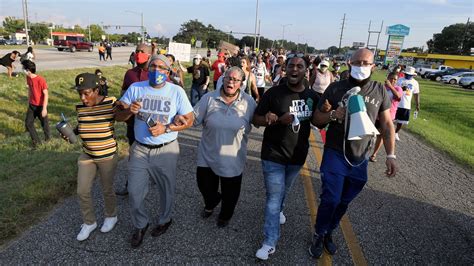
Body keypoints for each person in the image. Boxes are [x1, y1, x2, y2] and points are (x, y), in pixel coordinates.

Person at [308, 48, 397, 259]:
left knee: (344, 201)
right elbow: (316, 120)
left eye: (366, 63)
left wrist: (391, 155)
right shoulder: (335, 88)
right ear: (349, 63)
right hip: (335, 152)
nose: (361, 66)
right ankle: (319, 233)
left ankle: (330, 230)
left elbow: (386, 124)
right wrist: (332, 114)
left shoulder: (380, 90)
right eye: (357, 62)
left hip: (360, 158)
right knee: (330, 198)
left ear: (373, 66)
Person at [115, 54, 194, 248]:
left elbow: (189, 120)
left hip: (166, 150)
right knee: (134, 191)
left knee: (166, 189)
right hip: (140, 149)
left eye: (161, 68)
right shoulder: (136, 88)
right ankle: (141, 224)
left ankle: (165, 220)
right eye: (152, 67)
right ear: (147, 68)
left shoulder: (176, 92)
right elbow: (118, 115)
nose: (156, 71)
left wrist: (166, 128)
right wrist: (129, 112)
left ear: (168, 72)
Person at [253, 54, 319, 260]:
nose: (294, 69)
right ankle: (269, 242)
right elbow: (256, 119)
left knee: (283, 192)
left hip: (297, 156)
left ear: (305, 71)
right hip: (273, 154)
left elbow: (320, 121)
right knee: (273, 198)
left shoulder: (312, 97)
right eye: (291, 66)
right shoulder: (273, 94)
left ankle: (280, 209)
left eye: (300, 66)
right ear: (285, 69)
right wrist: (271, 119)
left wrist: (331, 113)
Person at [186, 66, 256, 227]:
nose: (231, 82)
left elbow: (259, 120)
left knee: (230, 193)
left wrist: (270, 117)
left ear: (241, 83)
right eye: (228, 78)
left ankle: (225, 215)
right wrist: (178, 119)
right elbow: (193, 119)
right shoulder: (209, 98)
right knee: (204, 186)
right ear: (223, 79)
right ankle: (211, 203)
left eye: (236, 80)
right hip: (207, 154)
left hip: (232, 158)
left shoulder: (248, 102)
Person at [61, 73, 119, 242]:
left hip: (106, 155)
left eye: (87, 93)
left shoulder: (111, 102)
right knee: (82, 190)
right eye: (80, 93)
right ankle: (89, 222)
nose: (83, 98)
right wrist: (72, 132)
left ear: (96, 89)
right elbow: (83, 124)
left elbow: (124, 117)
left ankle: (111, 216)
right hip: (87, 154)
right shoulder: (80, 106)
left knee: (107, 189)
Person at [115, 43, 152, 196]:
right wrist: (121, 106)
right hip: (132, 121)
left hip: (151, 123)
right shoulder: (130, 73)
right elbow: (123, 95)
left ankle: (153, 175)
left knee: (152, 154)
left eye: (142, 51)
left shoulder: (156, 72)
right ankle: (131, 185)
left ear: (149, 54)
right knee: (134, 154)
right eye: (136, 51)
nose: (138, 54)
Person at [370, 72, 402, 161]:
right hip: (376, 114)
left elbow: (398, 97)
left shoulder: (398, 88)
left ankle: (374, 154)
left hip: (388, 116)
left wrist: (390, 86)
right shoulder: (381, 87)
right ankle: (362, 150)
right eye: (391, 78)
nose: (393, 80)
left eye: (395, 79)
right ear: (387, 78)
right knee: (369, 133)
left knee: (380, 136)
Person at [22, 60, 50, 148]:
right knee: (28, 123)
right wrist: (29, 100)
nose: (23, 70)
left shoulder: (40, 80)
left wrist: (44, 108)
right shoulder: (28, 78)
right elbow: (30, 89)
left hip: (41, 106)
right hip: (32, 105)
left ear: (28, 70)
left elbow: (46, 94)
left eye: (24, 68)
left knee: (44, 124)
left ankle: (48, 139)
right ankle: (36, 142)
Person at [394, 66, 420, 141]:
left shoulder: (415, 83)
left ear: (413, 75)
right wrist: (402, 89)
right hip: (396, 103)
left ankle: (396, 133)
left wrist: (418, 104)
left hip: (406, 104)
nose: (408, 76)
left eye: (409, 75)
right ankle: (388, 131)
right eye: (406, 74)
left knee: (401, 121)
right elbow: (394, 89)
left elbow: (416, 94)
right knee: (392, 118)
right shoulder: (399, 80)